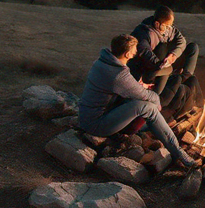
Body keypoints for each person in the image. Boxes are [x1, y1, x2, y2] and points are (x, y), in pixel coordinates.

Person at [78, 34, 196, 167]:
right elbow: (146, 96)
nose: (136, 52)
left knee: (143, 104)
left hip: (89, 115)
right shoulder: (118, 75)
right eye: (134, 51)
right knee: (149, 107)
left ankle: (155, 127)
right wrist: (157, 102)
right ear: (127, 54)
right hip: (96, 124)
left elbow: (120, 87)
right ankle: (178, 152)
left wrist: (138, 86)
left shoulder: (102, 62)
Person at [129, 6, 199, 95]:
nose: (168, 29)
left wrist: (173, 55)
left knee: (193, 47)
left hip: (165, 63)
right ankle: (159, 93)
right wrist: (165, 64)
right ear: (157, 24)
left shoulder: (168, 30)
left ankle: (184, 78)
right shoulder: (143, 33)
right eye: (166, 26)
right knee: (162, 47)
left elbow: (181, 40)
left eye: (170, 26)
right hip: (150, 68)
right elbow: (146, 54)